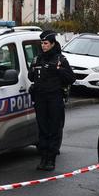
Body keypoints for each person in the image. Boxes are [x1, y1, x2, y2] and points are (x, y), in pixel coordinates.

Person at [29, 30, 76, 171]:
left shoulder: (60, 60)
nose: (43, 46)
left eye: (46, 43)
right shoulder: (37, 59)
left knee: (54, 129)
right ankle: (43, 157)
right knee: (42, 129)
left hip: (54, 98)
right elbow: (31, 76)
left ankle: (51, 158)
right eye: (42, 43)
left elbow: (71, 78)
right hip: (40, 99)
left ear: (53, 44)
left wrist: (57, 70)